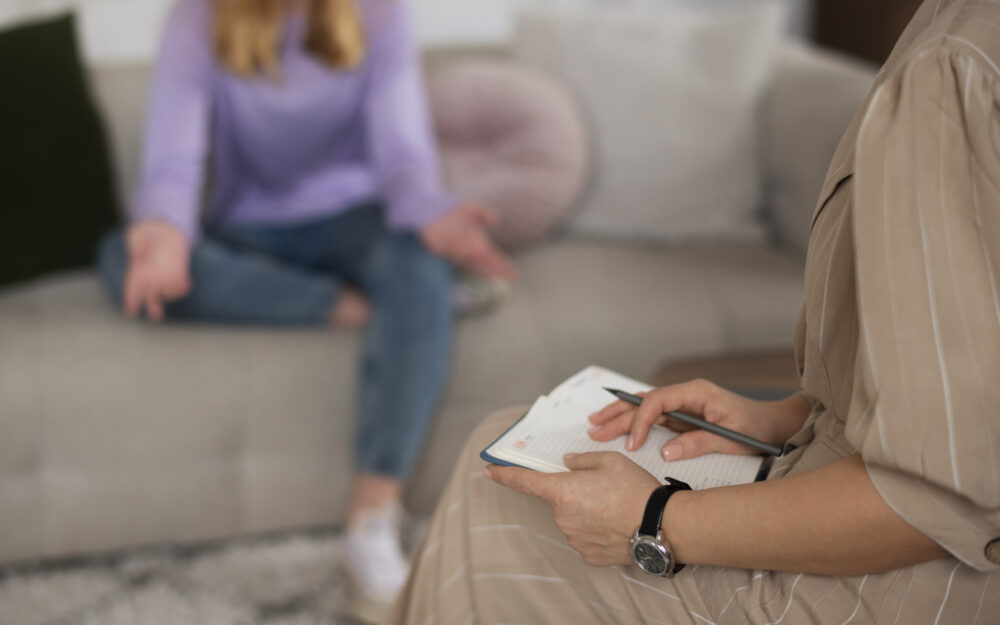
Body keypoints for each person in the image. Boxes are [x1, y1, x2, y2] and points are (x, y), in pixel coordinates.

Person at [385, 0, 1000, 622]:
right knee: (514, 442)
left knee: (492, 493)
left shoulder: (950, 70)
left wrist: (654, 518)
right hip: (882, 511)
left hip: (912, 589)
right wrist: (780, 418)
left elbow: (932, 498)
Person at [95, 0, 516, 613]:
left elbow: (402, 159)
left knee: (414, 262)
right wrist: (163, 230)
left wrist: (430, 213)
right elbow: (173, 163)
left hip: (353, 219)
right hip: (247, 230)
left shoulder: (381, 12)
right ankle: (376, 309)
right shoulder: (197, 16)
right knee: (118, 260)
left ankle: (370, 523)